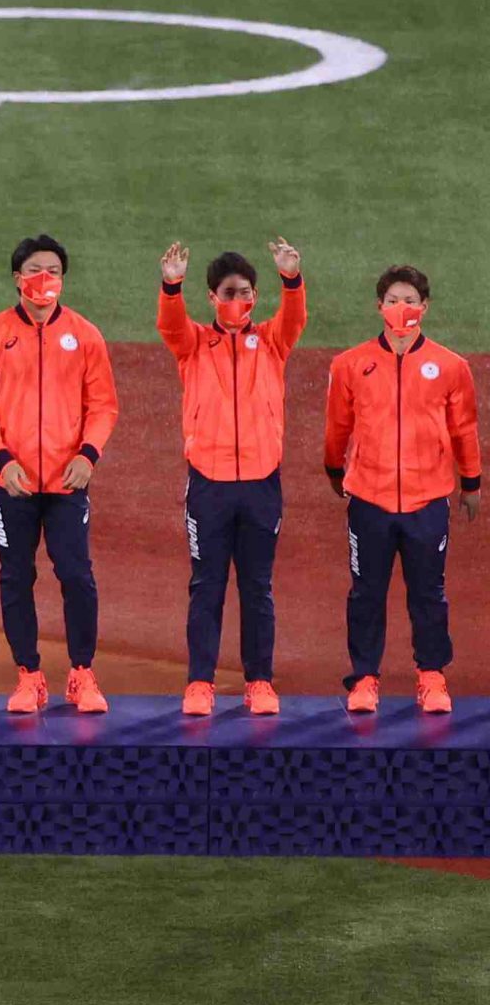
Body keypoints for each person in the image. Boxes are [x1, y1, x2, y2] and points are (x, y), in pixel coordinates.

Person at [0, 233, 120, 714]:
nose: (45, 279)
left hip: (67, 482)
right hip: (12, 485)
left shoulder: (85, 335)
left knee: (76, 575)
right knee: (16, 575)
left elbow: (104, 406)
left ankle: (82, 674)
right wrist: (2, 461)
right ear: (17, 279)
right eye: (35, 270)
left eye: (53, 270)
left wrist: (88, 456)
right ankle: (29, 676)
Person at [159, 239, 307, 716]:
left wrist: (291, 278)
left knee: (257, 587)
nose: (236, 299)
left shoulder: (271, 341)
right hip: (209, 484)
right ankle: (199, 683)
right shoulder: (193, 344)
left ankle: (259, 682)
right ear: (212, 297)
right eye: (227, 292)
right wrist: (171, 284)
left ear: (255, 296)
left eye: (244, 291)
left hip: (262, 484)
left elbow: (295, 319)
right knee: (207, 586)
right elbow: (170, 324)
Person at [324, 265, 477, 714]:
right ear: (379, 307)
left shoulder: (452, 367)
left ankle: (432, 677)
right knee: (365, 592)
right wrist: (334, 469)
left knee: (428, 592)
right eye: (392, 300)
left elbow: (464, 428)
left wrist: (472, 483)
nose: (401, 309)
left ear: (424, 307)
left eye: (409, 300)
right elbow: (338, 425)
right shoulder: (351, 364)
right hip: (369, 500)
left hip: (427, 501)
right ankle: (365, 679)